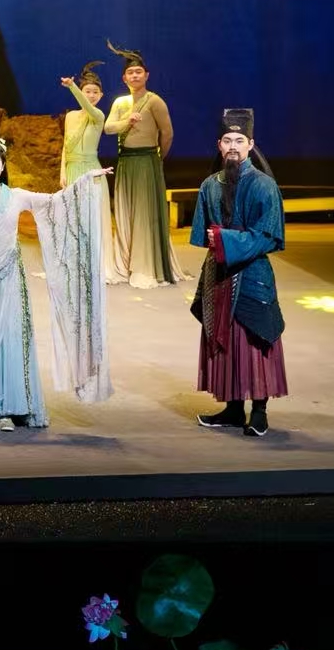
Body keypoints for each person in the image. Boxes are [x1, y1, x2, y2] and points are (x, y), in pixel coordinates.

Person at [0, 127, 113, 430]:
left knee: (9, 341)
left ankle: (9, 407)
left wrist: (86, 179)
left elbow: (57, 202)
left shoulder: (17, 196)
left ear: (3, 166)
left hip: (10, 280)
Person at [191, 109, 287, 437]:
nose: (233, 146)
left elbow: (269, 236)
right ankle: (233, 409)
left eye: (239, 140)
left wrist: (225, 240)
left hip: (253, 273)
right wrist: (217, 244)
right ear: (219, 144)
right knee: (226, 341)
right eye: (228, 140)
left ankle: (259, 411)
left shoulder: (264, 186)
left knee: (255, 341)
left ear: (251, 144)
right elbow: (203, 235)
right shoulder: (209, 185)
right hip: (219, 274)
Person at [102, 40, 184, 286]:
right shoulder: (120, 103)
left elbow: (167, 134)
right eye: (130, 72)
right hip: (125, 162)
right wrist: (127, 121)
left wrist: (158, 158)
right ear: (124, 77)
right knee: (126, 213)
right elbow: (108, 128)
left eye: (139, 71)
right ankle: (125, 264)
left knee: (145, 215)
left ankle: (145, 265)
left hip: (147, 161)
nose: (135, 75)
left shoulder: (155, 101)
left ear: (147, 75)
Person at [61, 62, 130, 287]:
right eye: (87, 91)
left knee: (91, 220)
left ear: (100, 96)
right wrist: (62, 172)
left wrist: (73, 87)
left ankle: (93, 265)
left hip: (91, 170)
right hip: (72, 170)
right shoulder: (70, 116)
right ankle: (73, 265)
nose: (90, 95)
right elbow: (65, 146)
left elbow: (87, 106)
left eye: (94, 92)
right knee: (73, 219)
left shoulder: (98, 115)